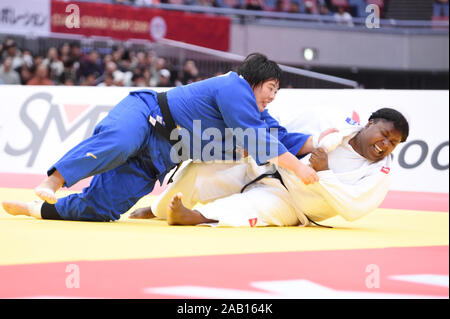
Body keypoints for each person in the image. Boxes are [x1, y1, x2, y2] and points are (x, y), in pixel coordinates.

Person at [2, 53, 319, 222]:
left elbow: (282, 138)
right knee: (119, 143)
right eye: (271, 88)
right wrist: (299, 169)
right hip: (146, 114)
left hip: (159, 157)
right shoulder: (233, 86)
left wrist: (325, 145)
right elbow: (258, 140)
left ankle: (35, 210)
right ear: (256, 80)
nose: (273, 96)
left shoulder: (256, 114)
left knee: (103, 209)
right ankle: (54, 181)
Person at [129, 108, 409, 227]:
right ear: (370, 123)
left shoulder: (379, 172)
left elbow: (353, 208)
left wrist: (323, 173)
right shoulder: (341, 126)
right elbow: (290, 131)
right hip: (268, 167)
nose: (385, 145)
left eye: (393, 143)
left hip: (293, 202)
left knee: (250, 207)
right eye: (384, 135)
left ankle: (197, 217)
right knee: (199, 171)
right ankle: (158, 209)